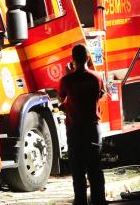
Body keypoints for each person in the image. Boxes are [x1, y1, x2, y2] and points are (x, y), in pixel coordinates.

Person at [58, 44, 107, 205]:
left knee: (78, 171)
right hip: (93, 129)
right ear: (87, 58)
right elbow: (101, 94)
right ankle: (98, 201)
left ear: (72, 60)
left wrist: (69, 74)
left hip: (75, 130)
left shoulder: (67, 80)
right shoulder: (97, 77)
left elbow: (61, 98)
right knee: (95, 169)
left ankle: (80, 201)